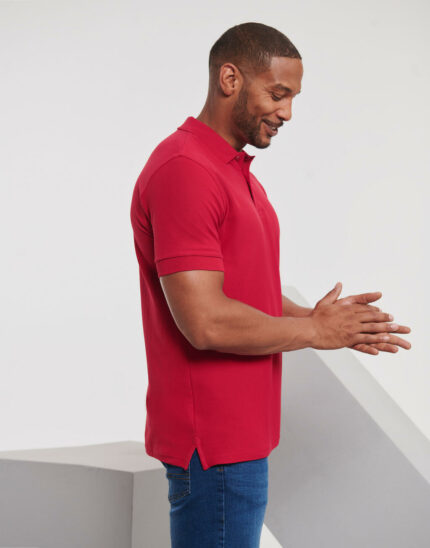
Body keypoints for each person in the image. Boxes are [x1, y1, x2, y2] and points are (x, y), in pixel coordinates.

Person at [129, 21, 411, 548]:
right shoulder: (186, 170)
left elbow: (241, 293)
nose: (287, 112)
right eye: (278, 94)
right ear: (230, 79)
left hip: (239, 441)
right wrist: (316, 333)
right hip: (213, 444)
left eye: (293, 98)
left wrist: (321, 320)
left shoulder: (234, 172)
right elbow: (205, 321)